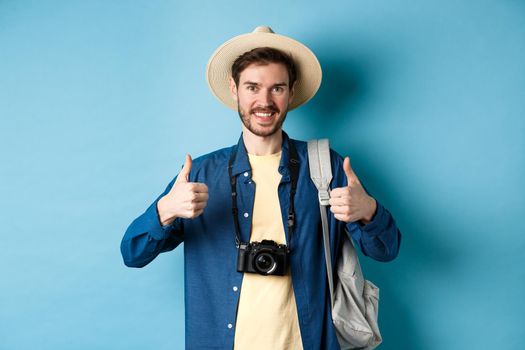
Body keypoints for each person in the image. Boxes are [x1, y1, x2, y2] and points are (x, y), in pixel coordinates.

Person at [121, 26, 401, 350]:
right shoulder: (199, 174)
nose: (264, 101)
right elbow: (132, 253)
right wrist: (166, 210)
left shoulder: (325, 168)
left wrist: (368, 211)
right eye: (252, 87)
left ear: (291, 92)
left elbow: (387, 249)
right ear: (234, 89)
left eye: (277, 88)